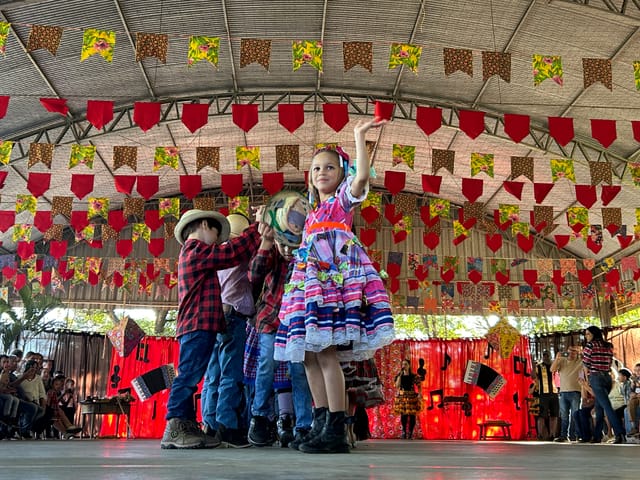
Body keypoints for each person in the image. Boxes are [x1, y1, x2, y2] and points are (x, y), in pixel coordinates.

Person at [274, 118, 396, 454]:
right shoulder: (311, 214)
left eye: (329, 167)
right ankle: (321, 420)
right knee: (310, 356)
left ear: (341, 173)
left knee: (326, 353)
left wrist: (359, 137)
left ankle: (338, 427)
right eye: (316, 169)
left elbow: (361, 178)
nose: (321, 173)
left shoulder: (341, 202)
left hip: (332, 283)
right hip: (308, 285)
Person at [160, 208, 262, 449]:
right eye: (217, 233)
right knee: (187, 376)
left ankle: (185, 426)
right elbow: (231, 253)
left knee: (194, 376)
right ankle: (174, 426)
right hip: (197, 324)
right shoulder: (196, 250)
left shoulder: (195, 253)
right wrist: (257, 227)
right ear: (204, 226)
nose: (219, 240)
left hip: (200, 325)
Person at [247, 197, 313, 449]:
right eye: (282, 240)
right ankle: (260, 418)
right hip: (271, 319)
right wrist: (266, 241)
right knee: (267, 364)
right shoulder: (272, 251)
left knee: (299, 372)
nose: (287, 247)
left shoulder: (307, 252)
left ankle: (304, 425)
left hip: (298, 321)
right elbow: (254, 275)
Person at [200, 213, 255, 448]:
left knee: (213, 375)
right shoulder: (239, 252)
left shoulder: (216, 251)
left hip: (213, 315)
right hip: (233, 314)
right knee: (231, 375)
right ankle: (227, 426)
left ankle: (209, 425)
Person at [582, 325, 625, 444]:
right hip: (607, 377)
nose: (586, 336)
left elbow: (585, 364)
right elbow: (611, 362)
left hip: (595, 377)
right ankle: (597, 435)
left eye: (588, 334)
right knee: (599, 406)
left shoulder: (590, 346)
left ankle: (619, 433)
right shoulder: (608, 346)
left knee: (606, 406)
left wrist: (587, 379)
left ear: (594, 334)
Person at [551, 347, 582, 442]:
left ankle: (575, 435)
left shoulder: (580, 361)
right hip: (563, 392)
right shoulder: (562, 361)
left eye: (574, 353)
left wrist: (582, 352)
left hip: (576, 391)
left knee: (575, 414)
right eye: (569, 352)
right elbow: (552, 369)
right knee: (564, 415)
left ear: (577, 354)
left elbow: (587, 363)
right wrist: (557, 358)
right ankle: (563, 435)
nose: (571, 355)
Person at [393, 359, 422, 439]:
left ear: (409, 366)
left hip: (412, 396)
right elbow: (397, 386)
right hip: (402, 396)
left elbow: (419, 385)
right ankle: (404, 432)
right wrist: (400, 376)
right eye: (403, 364)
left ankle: (410, 433)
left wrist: (419, 393)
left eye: (405, 364)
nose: (404, 366)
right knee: (403, 415)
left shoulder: (413, 376)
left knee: (412, 415)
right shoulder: (399, 375)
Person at [533, 351, 559, 440]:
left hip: (555, 393)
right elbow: (533, 377)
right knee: (542, 416)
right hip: (543, 394)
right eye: (544, 356)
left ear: (550, 356)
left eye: (547, 356)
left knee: (554, 415)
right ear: (542, 357)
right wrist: (533, 365)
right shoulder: (539, 366)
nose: (546, 357)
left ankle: (552, 434)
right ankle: (540, 435)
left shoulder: (555, 366)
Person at [626, 362, 640, 435]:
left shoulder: (636, 380)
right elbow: (631, 392)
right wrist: (632, 392)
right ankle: (634, 426)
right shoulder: (634, 380)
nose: (637, 372)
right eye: (635, 370)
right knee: (630, 402)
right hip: (636, 397)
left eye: (639, 370)